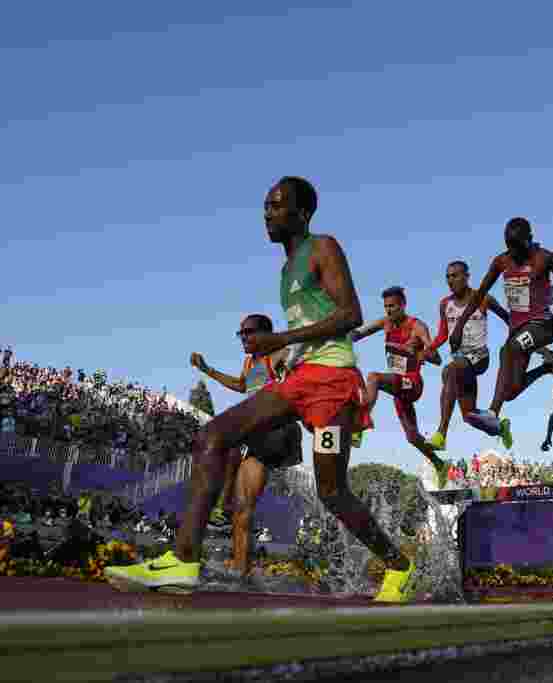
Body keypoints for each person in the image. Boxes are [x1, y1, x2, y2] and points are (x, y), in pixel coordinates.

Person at [106, 176, 416, 602]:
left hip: (333, 386)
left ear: (302, 214)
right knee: (213, 435)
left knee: (332, 491)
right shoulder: (286, 268)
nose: (267, 213)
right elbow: (311, 329)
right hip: (299, 379)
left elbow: (350, 315)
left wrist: (282, 341)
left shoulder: (323, 247)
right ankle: (183, 560)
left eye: (277, 205)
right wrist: (288, 354)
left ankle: (399, 565)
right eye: (266, 206)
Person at [450, 217, 553, 448]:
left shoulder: (545, 258)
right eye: (509, 246)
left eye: (518, 246)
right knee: (511, 390)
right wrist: (459, 326)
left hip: (542, 324)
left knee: (509, 349)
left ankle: (493, 414)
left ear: (529, 240)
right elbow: (479, 294)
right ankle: (548, 367)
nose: (513, 252)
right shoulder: (501, 261)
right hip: (518, 328)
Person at [190, 314, 303, 576]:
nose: (243, 338)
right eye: (241, 333)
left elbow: (300, 354)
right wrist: (208, 370)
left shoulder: (279, 354)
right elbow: (242, 386)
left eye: (249, 333)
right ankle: (241, 567)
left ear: (266, 334)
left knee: (228, 436)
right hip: (257, 435)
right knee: (244, 507)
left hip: (276, 430)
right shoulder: (250, 362)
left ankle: (222, 503)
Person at [351, 287, 448, 488]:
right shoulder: (385, 324)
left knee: (373, 378)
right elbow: (357, 334)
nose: (389, 311)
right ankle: (440, 465)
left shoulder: (417, 327)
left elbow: (437, 359)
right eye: (386, 307)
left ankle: (360, 424)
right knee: (412, 437)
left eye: (393, 306)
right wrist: (335, 335)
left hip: (412, 383)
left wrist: (421, 352)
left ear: (403, 305)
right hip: (398, 389)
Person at [423, 261, 510, 451]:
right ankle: (499, 428)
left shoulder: (483, 298)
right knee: (469, 416)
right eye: (448, 276)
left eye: (455, 275)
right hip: (461, 362)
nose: (450, 280)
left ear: (466, 277)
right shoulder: (445, 304)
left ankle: (441, 434)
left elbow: (508, 319)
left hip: (479, 358)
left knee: (449, 370)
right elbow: (443, 334)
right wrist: (430, 347)